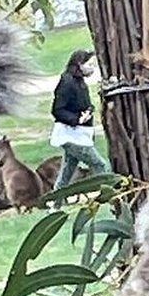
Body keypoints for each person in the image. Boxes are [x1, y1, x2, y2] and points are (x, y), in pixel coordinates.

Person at [49, 50, 111, 193]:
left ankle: (55, 201)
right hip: (71, 135)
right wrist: (76, 119)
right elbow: (57, 110)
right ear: (79, 64)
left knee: (67, 171)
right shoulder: (67, 82)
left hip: (80, 133)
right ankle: (110, 192)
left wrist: (89, 110)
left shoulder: (79, 81)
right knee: (99, 164)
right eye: (89, 64)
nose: (92, 68)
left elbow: (82, 103)